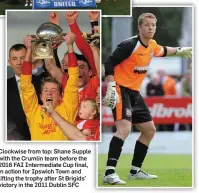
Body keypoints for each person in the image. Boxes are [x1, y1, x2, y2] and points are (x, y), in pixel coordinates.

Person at [103, 12, 192, 184]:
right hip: (120, 89)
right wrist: (111, 86)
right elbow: (109, 63)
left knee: (149, 130)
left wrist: (181, 51)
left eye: (153, 25)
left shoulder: (152, 45)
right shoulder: (129, 44)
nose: (151, 28)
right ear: (140, 27)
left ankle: (135, 171)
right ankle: (109, 173)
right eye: (147, 25)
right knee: (124, 130)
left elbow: (164, 50)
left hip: (135, 93)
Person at [20, 32, 79, 141]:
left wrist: (70, 47)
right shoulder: (33, 111)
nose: (49, 93)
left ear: (61, 96)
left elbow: (74, 79)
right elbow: (25, 84)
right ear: (41, 96)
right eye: (46, 90)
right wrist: (29, 50)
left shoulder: (67, 109)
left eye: (53, 90)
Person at [7, 44, 40, 140]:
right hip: (14, 139)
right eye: (14, 59)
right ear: (9, 62)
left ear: (29, 58)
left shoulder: (42, 82)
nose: (19, 63)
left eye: (22, 58)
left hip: (41, 135)